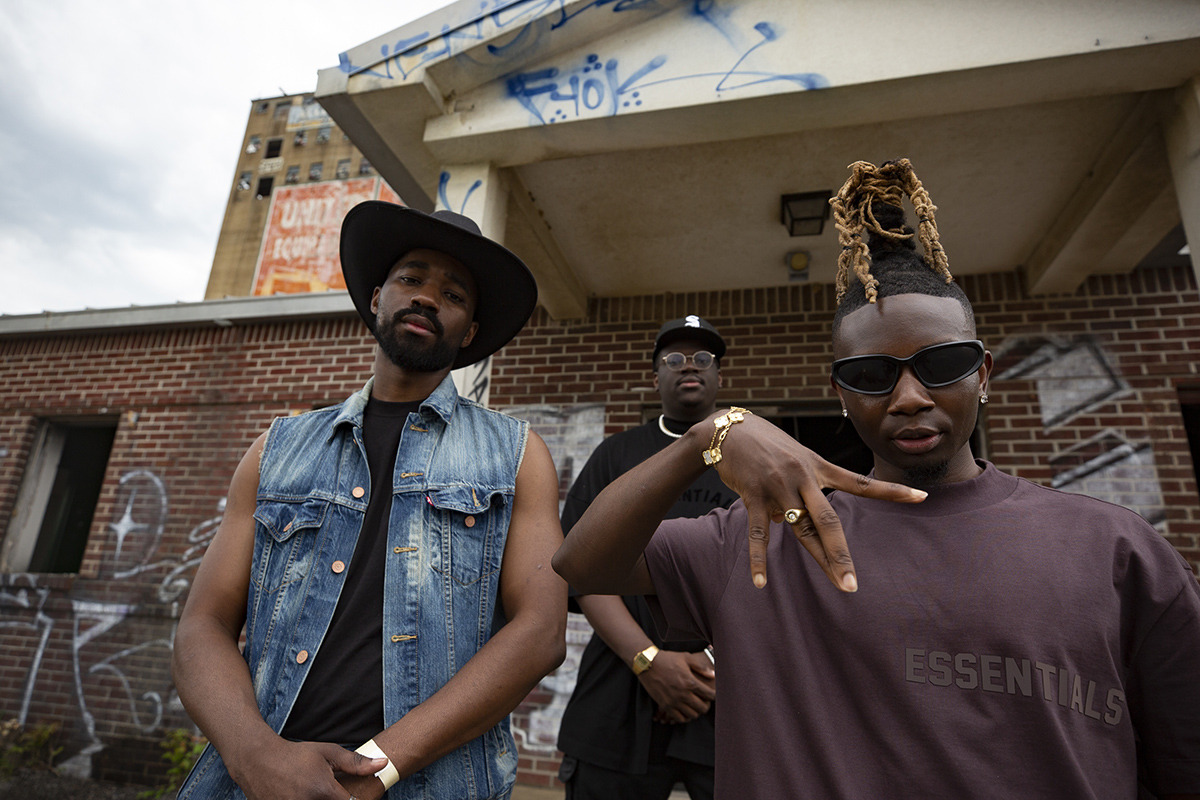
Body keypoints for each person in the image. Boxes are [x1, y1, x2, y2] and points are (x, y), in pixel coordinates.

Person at [553, 160, 1200, 799]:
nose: (911, 396)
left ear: (984, 373)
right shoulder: (771, 539)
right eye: (872, 375)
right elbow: (581, 565)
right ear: (839, 392)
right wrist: (706, 436)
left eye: (941, 364)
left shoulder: (1119, 552)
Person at [173, 202, 568, 800]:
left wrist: (379, 768)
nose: (428, 298)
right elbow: (202, 624)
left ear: (471, 333)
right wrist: (256, 757)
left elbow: (540, 631)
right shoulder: (276, 449)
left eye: (453, 294)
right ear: (378, 296)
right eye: (412, 280)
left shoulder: (515, 456)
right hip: (255, 784)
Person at [557, 316, 735, 800]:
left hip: (731, 694)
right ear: (655, 377)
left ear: (721, 375)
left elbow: (779, 573)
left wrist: (712, 663)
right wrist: (648, 661)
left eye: (703, 359)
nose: (688, 367)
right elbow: (580, 571)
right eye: (673, 360)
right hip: (618, 697)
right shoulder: (617, 456)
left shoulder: (750, 456)